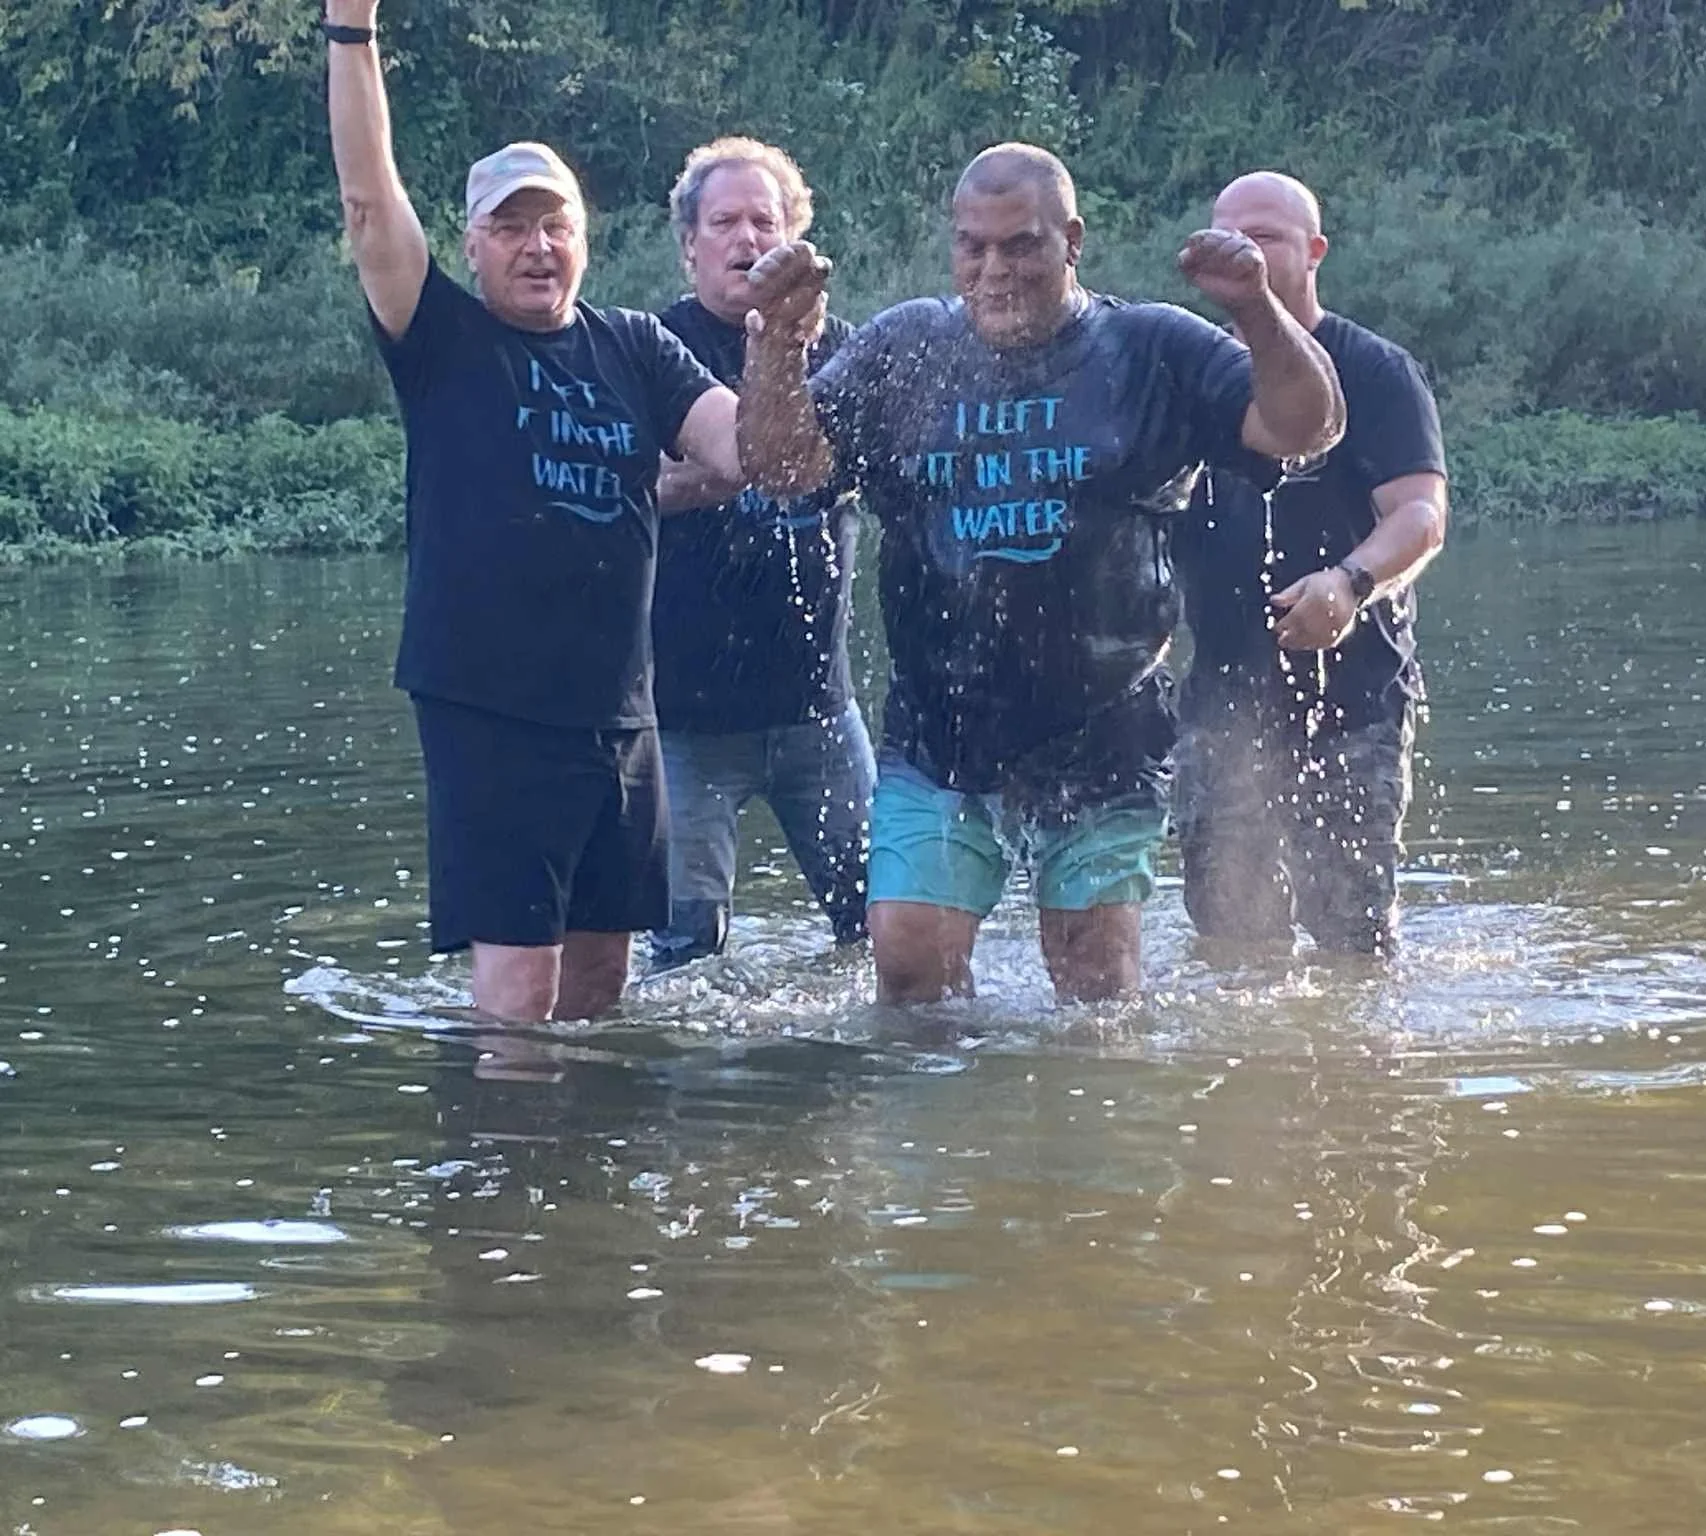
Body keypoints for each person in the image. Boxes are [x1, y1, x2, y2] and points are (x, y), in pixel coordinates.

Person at [736, 143, 1344, 1003]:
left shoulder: (1148, 348)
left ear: (1073, 242)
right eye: (972, 246)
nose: (994, 271)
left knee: (1095, 989)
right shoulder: (904, 347)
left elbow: (1306, 427)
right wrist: (775, 344)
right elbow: (779, 468)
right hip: (941, 735)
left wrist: (1257, 310)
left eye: (1020, 245)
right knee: (908, 973)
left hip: (1104, 735)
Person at [323, 0, 744, 1022]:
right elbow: (371, 203)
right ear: (471, 247)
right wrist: (351, 29)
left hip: (619, 712)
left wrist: (781, 342)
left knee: (600, 986)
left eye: (555, 225)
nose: (537, 246)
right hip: (491, 712)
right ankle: (499, 1127)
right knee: (519, 993)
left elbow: (744, 450)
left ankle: (583, 1133)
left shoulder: (635, 345)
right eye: (510, 228)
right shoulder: (443, 340)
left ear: (584, 239)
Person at [1174, 172, 1449, 958]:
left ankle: (1355, 1043)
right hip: (1221, 708)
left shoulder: (1375, 369)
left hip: (1352, 701)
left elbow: (1421, 515)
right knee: (1230, 944)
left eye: (1265, 238)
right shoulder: (1191, 371)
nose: (1245, 253)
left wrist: (1350, 583)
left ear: (1315, 251)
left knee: (1352, 943)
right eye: (1230, 237)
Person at [645, 138, 874, 972]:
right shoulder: (651, 348)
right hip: (686, 720)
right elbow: (632, 486)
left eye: (765, 222)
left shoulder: (843, 348)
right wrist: (751, 459)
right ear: (690, 245)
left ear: (794, 240)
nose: (747, 238)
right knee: (683, 956)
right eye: (725, 222)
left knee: (883, 934)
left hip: (819, 709)